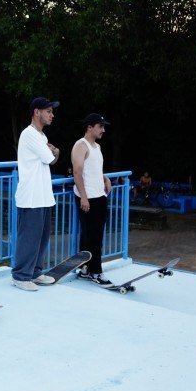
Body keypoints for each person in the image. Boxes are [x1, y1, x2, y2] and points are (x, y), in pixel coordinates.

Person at [12, 97, 60, 291]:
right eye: (48, 111)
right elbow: (51, 158)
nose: (52, 115)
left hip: (43, 196)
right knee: (29, 238)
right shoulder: (29, 134)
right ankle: (21, 275)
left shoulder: (41, 137)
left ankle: (35, 272)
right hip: (31, 196)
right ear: (36, 112)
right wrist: (55, 150)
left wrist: (52, 150)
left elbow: (50, 157)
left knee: (41, 237)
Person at [71, 113, 113, 286]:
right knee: (93, 237)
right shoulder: (81, 145)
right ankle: (97, 272)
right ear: (90, 127)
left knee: (92, 235)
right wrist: (84, 197)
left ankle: (85, 268)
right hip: (88, 197)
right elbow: (77, 172)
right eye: (100, 126)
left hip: (99, 195)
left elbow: (93, 168)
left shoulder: (97, 147)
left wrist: (105, 178)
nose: (103, 130)